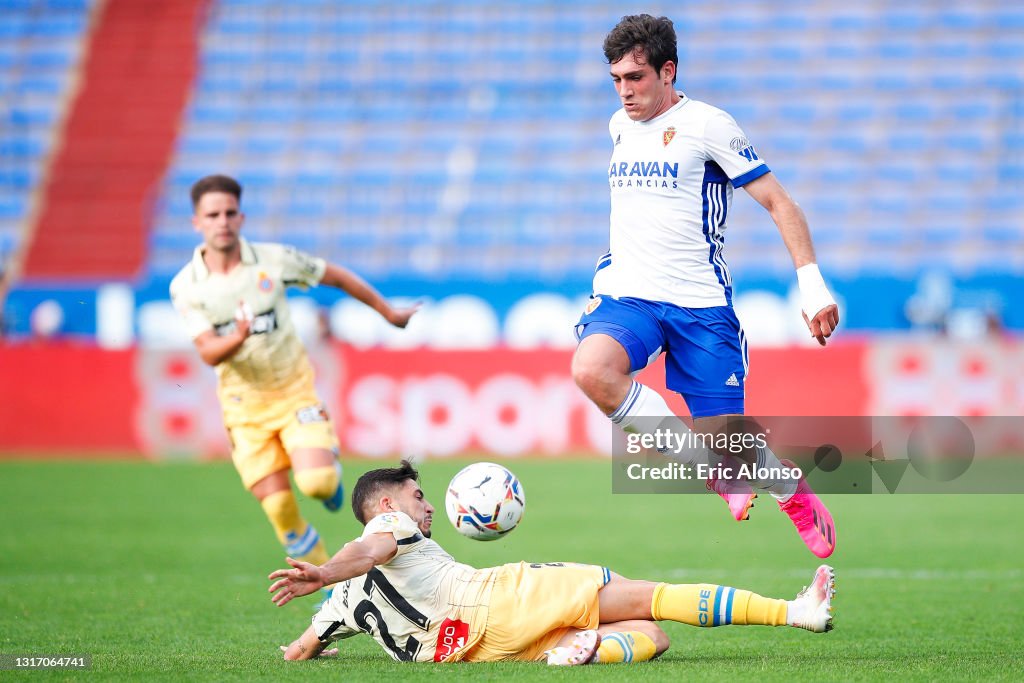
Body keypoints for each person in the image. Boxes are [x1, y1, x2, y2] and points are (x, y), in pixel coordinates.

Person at [570, 15, 840, 558]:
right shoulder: (617, 126)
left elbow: (779, 203)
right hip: (630, 292)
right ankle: (714, 474)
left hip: (700, 304)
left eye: (637, 77)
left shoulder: (710, 125)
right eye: (617, 79)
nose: (625, 91)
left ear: (667, 71)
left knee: (733, 446)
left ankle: (787, 487)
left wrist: (811, 284)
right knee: (591, 370)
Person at [268, 461, 835, 665]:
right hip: (497, 599)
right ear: (389, 504)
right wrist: (321, 570)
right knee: (647, 594)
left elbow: (302, 649)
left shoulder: (341, 604)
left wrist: (316, 627)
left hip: (472, 651)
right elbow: (367, 552)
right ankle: (796, 612)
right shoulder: (386, 526)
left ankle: (581, 653)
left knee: (651, 636)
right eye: (419, 496)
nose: (427, 507)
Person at [170, 174, 418, 581]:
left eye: (230, 212)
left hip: (294, 394)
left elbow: (333, 275)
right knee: (282, 512)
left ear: (241, 216)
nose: (223, 221)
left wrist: (386, 312)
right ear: (197, 222)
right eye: (213, 214)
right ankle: (325, 589)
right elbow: (207, 351)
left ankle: (332, 480)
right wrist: (237, 335)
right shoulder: (187, 287)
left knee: (318, 484)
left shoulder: (272, 260)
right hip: (243, 410)